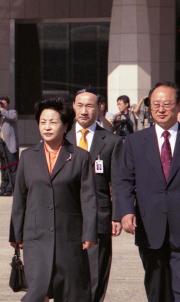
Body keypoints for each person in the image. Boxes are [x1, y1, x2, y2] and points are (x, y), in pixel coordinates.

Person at [9, 98, 97, 302]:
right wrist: (16, 232)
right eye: (42, 122)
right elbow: (20, 197)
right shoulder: (28, 156)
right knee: (36, 293)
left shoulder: (79, 157)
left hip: (69, 237)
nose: (47, 127)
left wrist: (89, 232)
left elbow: (88, 198)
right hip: (36, 238)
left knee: (71, 292)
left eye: (53, 122)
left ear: (65, 126)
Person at [116, 81, 180, 302]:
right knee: (156, 288)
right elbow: (124, 180)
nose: (161, 109)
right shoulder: (135, 142)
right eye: (155, 104)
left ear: (178, 106)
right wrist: (125, 212)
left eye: (167, 104)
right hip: (149, 225)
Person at [68, 88, 123, 302]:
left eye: (89, 106)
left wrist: (116, 216)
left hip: (99, 217)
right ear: (73, 106)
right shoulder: (61, 138)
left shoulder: (111, 141)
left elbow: (118, 182)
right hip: (68, 216)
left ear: (99, 108)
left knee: (95, 274)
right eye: (80, 105)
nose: (84, 111)